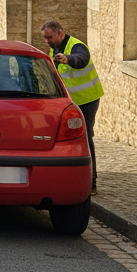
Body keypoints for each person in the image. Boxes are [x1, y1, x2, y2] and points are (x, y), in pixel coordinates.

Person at [40, 20, 103, 192]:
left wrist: (68, 59)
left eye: (49, 37)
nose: (47, 41)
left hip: (87, 100)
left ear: (60, 33)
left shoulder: (77, 46)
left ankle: (91, 183)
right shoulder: (55, 48)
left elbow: (81, 60)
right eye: (45, 38)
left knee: (86, 138)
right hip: (70, 103)